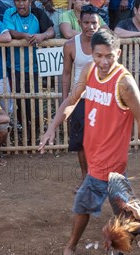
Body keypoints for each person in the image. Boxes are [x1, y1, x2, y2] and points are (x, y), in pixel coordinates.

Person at [38, 30, 140, 255]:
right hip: (94, 152)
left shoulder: (124, 82)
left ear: (118, 54)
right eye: (98, 55)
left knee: (83, 203)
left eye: (109, 56)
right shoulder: (89, 70)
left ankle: (70, 247)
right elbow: (72, 99)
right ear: (91, 54)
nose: (103, 62)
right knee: (122, 206)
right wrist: (52, 127)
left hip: (109, 157)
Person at [61, 4, 101, 189]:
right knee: (81, 142)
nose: (90, 27)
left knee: (99, 140)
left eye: (94, 22)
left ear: (99, 23)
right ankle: (86, 177)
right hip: (79, 99)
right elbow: (67, 74)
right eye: (86, 22)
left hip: (101, 99)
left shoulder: (104, 45)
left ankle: (97, 175)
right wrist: (65, 101)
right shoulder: (70, 45)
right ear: (79, 22)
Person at [3, 0, 55, 139]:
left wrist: (42, 36)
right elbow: (9, 32)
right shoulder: (9, 12)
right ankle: (26, 130)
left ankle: (37, 131)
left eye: (24, 0)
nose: (20, 4)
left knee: (36, 100)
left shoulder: (38, 13)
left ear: (30, 1)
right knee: (20, 100)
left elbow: (51, 30)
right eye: (17, 0)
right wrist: (25, 36)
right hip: (15, 67)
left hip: (35, 67)